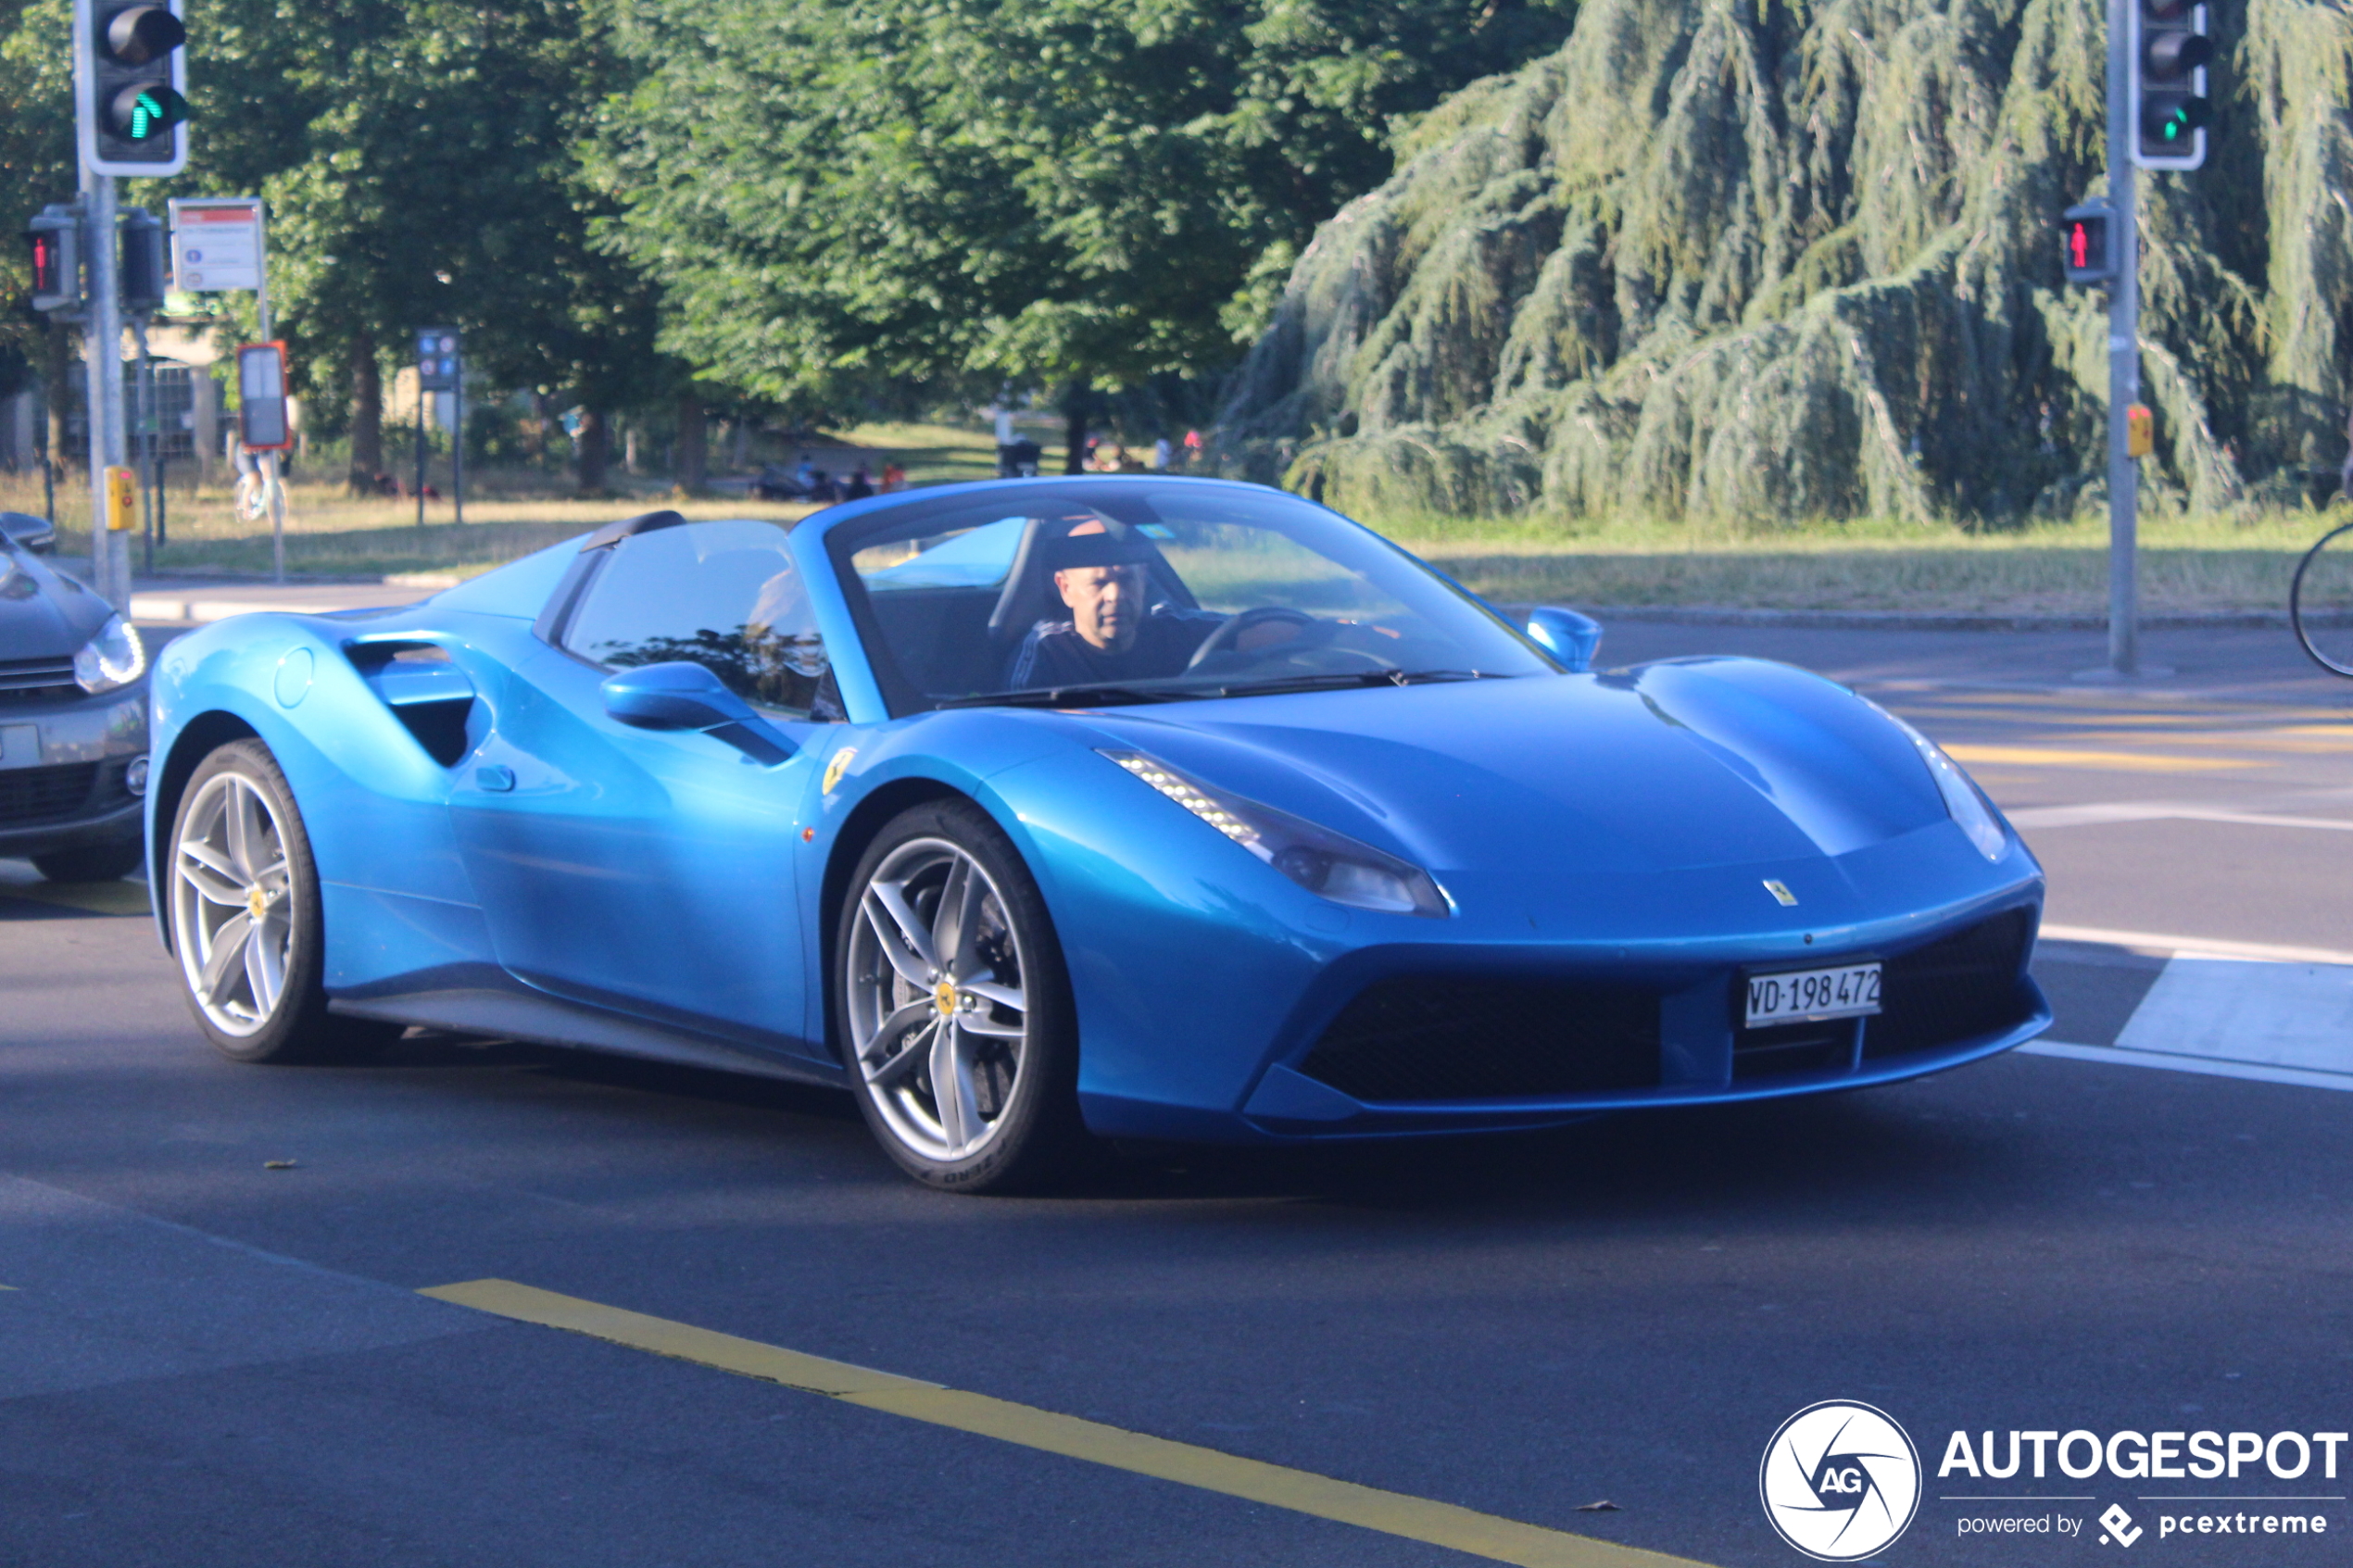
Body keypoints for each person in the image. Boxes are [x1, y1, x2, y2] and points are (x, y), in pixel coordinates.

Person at [1004, 523, 1217, 689]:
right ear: (1066, 589)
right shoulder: (1046, 653)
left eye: (1126, 580)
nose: (1115, 596)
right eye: (1099, 583)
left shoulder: (1176, 630)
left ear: (1142, 581)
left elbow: (1245, 630)